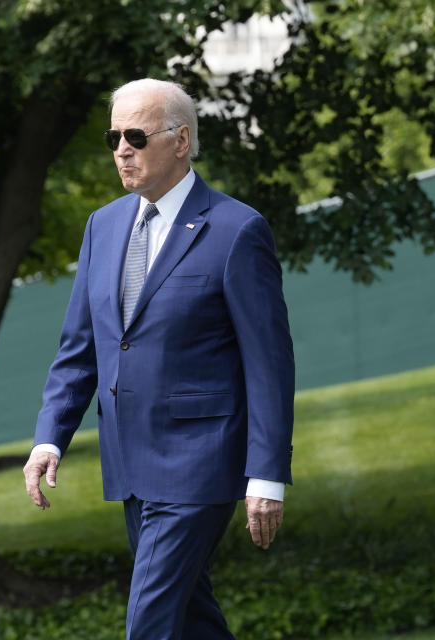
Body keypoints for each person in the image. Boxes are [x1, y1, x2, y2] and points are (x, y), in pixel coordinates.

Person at [22, 78, 295, 640]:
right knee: (191, 617)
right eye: (114, 136)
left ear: (180, 140)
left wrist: (266, 475)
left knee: (149, 622)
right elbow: (81, 349)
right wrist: (50, 438)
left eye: (136, 135)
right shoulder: (103, 225)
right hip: (129, 462)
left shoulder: (237, 230)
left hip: (200, 461)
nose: (122, 149)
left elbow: (269, 363)